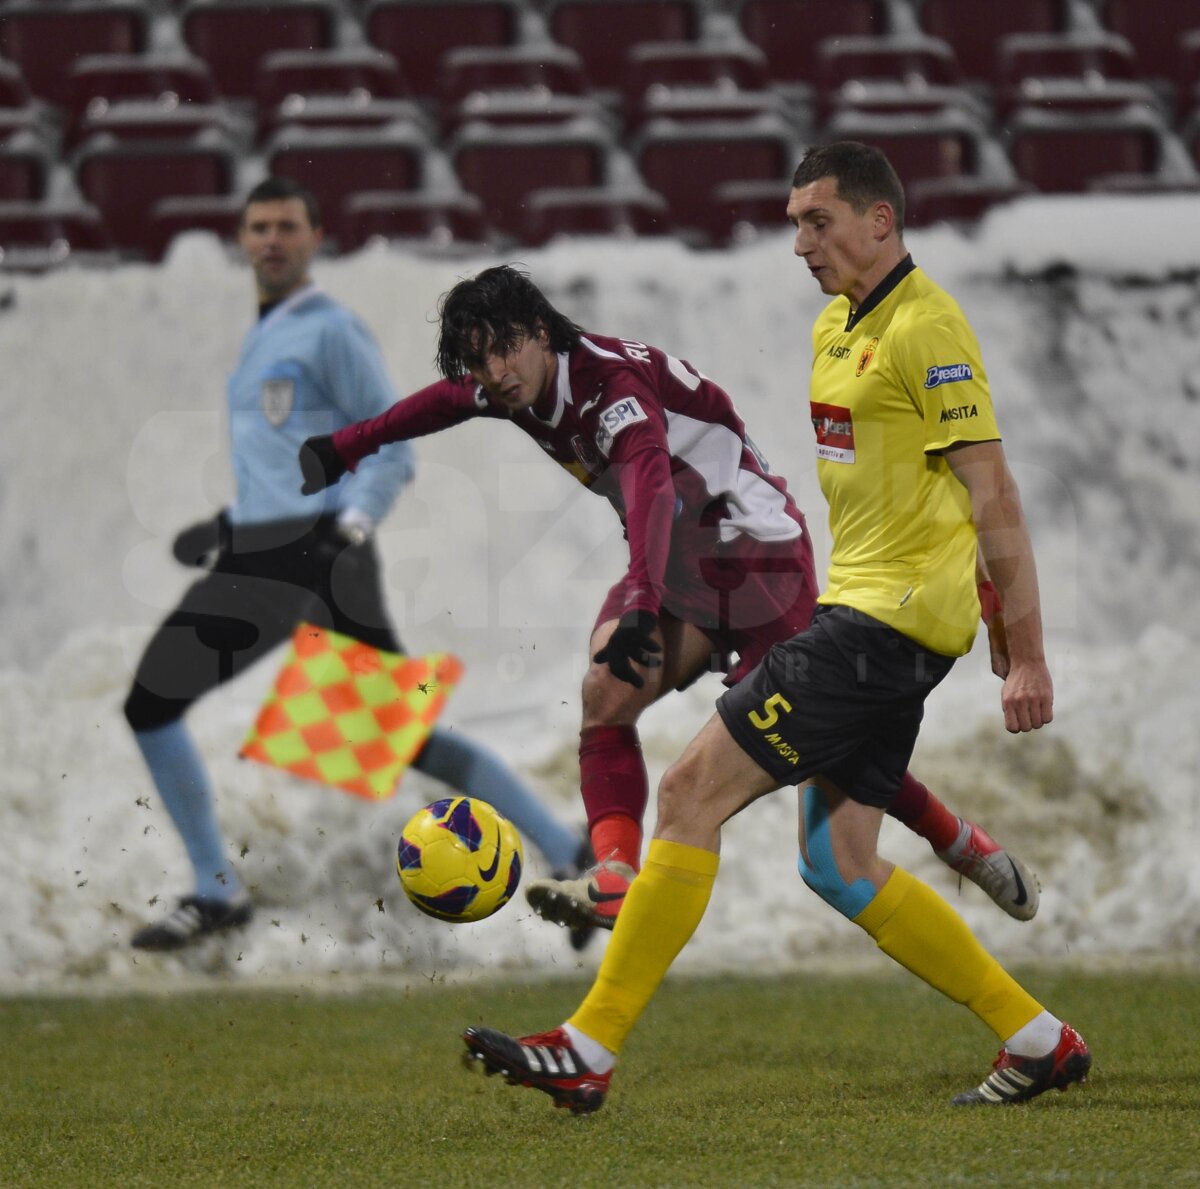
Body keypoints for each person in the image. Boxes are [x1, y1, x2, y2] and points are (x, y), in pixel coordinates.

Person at [458, 143, 1091, 1111]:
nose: (800, 243)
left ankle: (587, 1047)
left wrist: (1027, 651)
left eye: (817, 221)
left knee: (688, 791)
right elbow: (923, 493)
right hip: (869, 613)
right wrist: (983, 607)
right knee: (840, 865)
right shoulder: (837, 327)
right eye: (795, 223)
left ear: (880, 220)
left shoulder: (927, 328)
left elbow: (991, 489)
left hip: (883, 627)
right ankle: (1039, 1038)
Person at [298, 264, 1039, 944]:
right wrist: (347, 445)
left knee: (827, 753)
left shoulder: (610, 387)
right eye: (478, 359)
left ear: (541, 331)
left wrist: (643, 603)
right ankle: (614, 874)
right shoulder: (512, 386)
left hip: (757, 560)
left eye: (505, 349)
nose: (494, 372)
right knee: (605, 692)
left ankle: (957, 840)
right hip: (676, 567)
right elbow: (441, 404)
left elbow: (651, 485)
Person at [123, 178, 586, 951]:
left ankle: (215, 887)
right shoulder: (267, 334)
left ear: (316, 237)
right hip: (275, 551)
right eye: (259, 226)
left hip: (310, 557)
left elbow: (389, 444)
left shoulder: (331, 330)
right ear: (242, 239)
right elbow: (285, 465)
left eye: (287, 226)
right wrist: (227, 525)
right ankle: (566, 845)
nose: (272, 239)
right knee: (398, 733)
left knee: (151, 700)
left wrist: (349, 528)